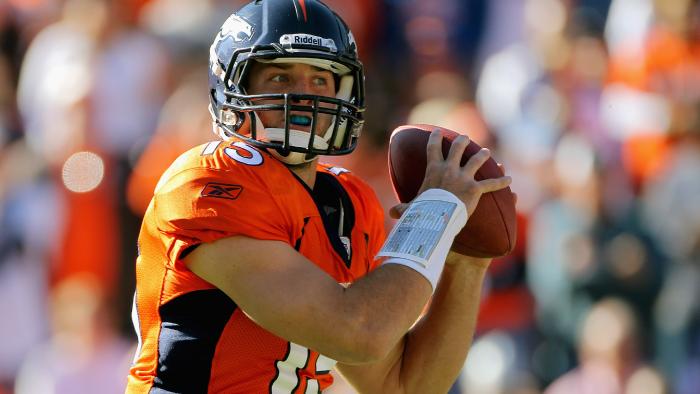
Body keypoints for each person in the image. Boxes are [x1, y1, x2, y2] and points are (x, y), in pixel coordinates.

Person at [126, 0, 512, 393]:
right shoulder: (208, 181)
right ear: (235, 87)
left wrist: (465, 264)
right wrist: (433, 215)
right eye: (280, 77)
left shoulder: (347, 200)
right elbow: (358, 332)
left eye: (321, 80)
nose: (304, 96)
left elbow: (402, 385)